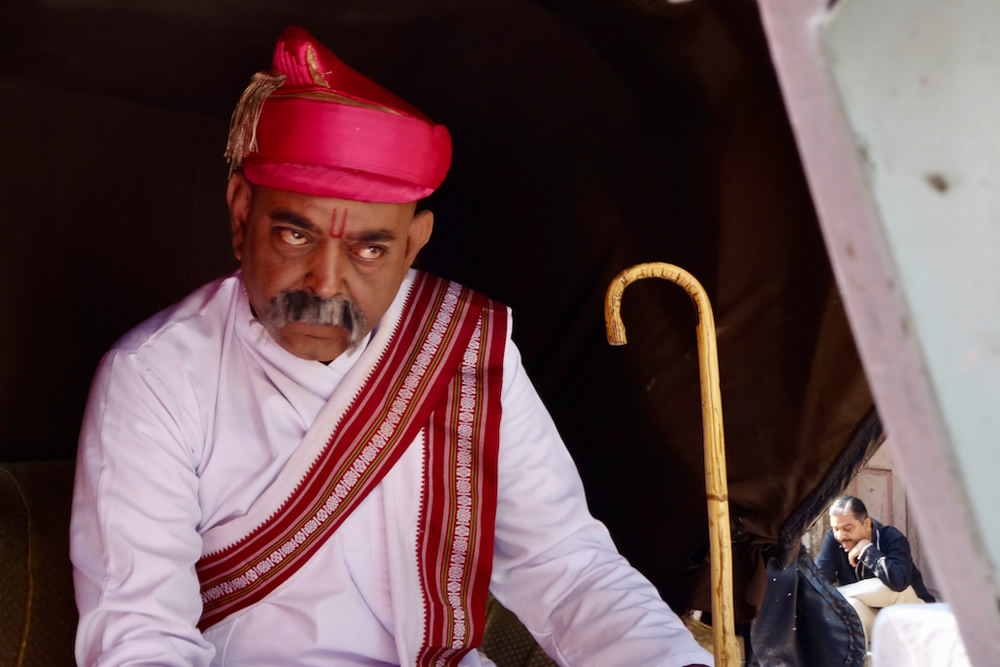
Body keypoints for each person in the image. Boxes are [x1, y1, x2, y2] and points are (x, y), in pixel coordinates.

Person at [70, 26, 713, 667]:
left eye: (368, 249)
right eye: (296, 236)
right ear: (242, 215)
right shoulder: (156, 376)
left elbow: (566, 568)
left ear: (413, 244)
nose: (326, 282)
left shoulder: (461, 348)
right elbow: (140, 637)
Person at [816, 495, 935, 644]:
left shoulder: (891, 537)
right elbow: (820, 578)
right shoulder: (834, 540)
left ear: (866, 524)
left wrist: (867, 550)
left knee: (887, 586)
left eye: (848, 528)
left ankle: (834, 596)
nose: (841, 535)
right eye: (836, 529)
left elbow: (899, 582)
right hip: (875, 620)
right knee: (851, 604)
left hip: (911, 612)